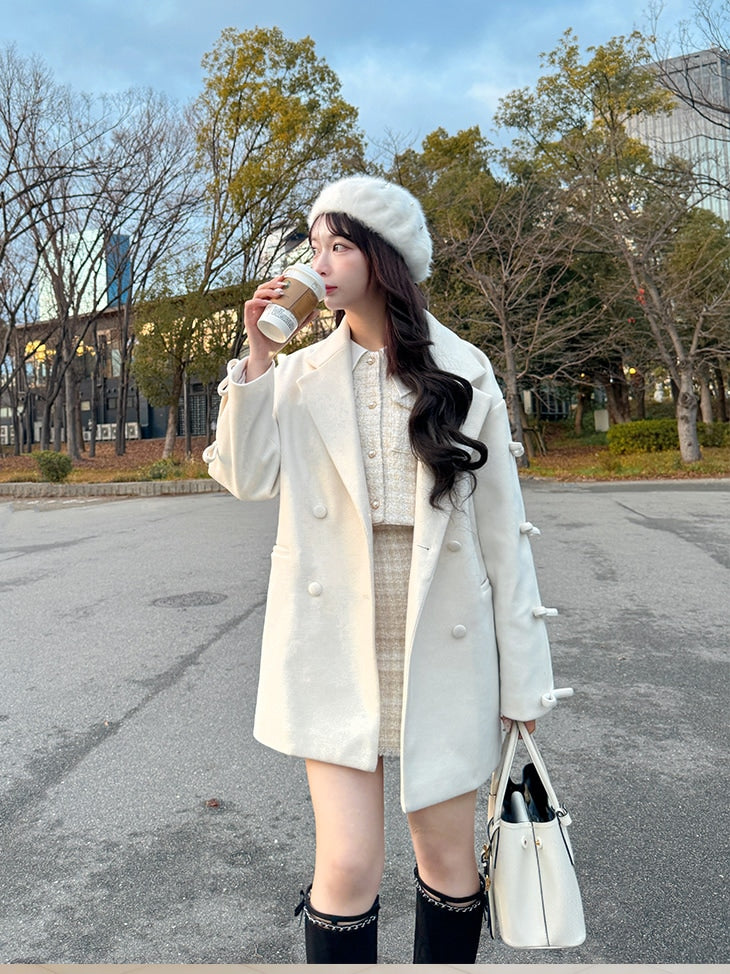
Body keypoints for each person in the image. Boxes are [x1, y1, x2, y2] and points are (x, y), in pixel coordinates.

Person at [203, 174, 557, 964]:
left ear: (384, 258)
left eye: (339, 246)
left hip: (443, 634)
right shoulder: (298, 375)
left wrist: (524, 682)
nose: (319, 264)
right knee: (347, 863)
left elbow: (504, 536)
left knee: (447, 858)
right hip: (335, 637)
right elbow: (245, 476)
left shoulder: (465, 371)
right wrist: (257, 355)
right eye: (314, 247)